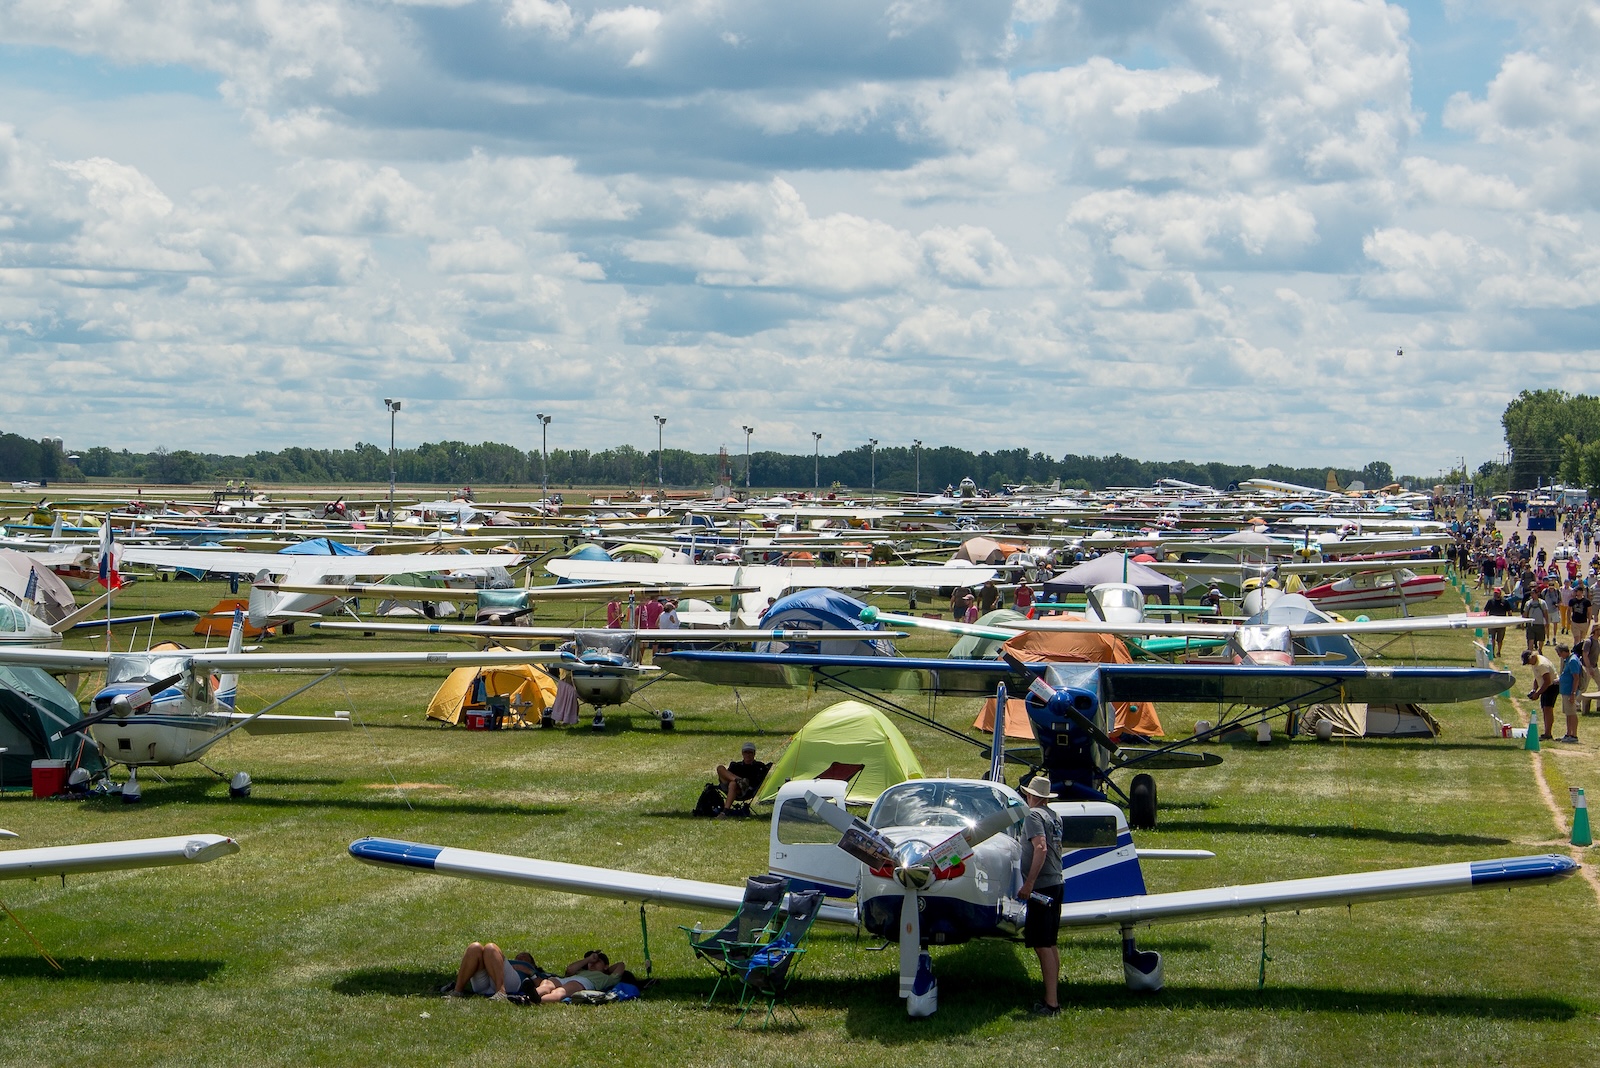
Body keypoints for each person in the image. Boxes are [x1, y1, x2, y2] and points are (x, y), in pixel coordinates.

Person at [1017, 775, 1063, 1017]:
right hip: (1057, 882)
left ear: (1031, 795)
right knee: (1050, 942)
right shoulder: (1055, 816)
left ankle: (1052, 1004)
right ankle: (1051, 997)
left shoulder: (1033, 816)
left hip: (1042, 887)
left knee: (1042, 944)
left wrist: (1029, 884)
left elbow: (1041, 847)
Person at [444, 941, 546, 1000]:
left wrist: (529, 972)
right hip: (484, 984)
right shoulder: (503, 961)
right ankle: (457, 991)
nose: (522, 956)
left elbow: (543, 984)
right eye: (520, 956)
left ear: (532, 963)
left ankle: (501, 992)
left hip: (511, 984)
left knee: (491, 948)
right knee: (474, 948)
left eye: (526, 957)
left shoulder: (531, 969)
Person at [531, 951, 629, 1004]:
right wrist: (588, 959)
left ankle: (535, 1000)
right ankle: (529, 996)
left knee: (560, 991)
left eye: (597, 961)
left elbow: (621, 965)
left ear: (606, 966)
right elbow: (570, 969)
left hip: (584, 982)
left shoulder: (608, 978)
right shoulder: (582, 971)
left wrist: (605, 969)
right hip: (569, 978)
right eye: (591, 962)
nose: (593, 963)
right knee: (547, 983)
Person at [715, 742, 770, 816]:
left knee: (733, 784)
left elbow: (756, 782)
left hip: (745, 790)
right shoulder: (735, 765)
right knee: (720, 768)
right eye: (746, 752)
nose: (748, 754)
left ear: (754, 754)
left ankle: (725, 811)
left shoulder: (759, 766)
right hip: (728, 785)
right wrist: (738, 780)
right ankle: (739, 780)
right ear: (742, 753)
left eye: (750, 752)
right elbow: (726, 775)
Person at [1524, 648, 1559, 741]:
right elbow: (1537, 677)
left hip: (1551, 687)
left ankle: (1548, 733)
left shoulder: (1542, 665)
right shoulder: (1535, 662)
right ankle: (1546, 732)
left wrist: (1538, 693)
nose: (1528, 663)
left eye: (1528, 661)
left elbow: (1547, 681)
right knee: (1544, 709)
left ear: (1532, 657)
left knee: (1548, 709)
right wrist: (1534, 689)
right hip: (1546, 686)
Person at [1557, 643, 1583, 743]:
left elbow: (1576, 678)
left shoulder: (1572, 661)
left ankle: (1574, 735)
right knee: (1568, 714)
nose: (1559, 655)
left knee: (1572, 713)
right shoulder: (1567, 660)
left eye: (1559, 653)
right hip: (1566, 691)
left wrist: (1573, 693)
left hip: (1570, 692)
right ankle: (1568, 733)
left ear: (1564, 652)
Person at [1484, 587, 1510, 658]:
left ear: (1500, 594)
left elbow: (1509, 611)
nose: (1495, 594)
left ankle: (1498, 652)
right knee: (1492, 638)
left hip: (1502, 623)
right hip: (1492, 623)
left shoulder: (1505, 602)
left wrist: (1509, 621)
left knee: (1500, 639)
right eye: (1494, 593)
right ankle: (1492, 652)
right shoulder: (1490, 601)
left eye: (1497, 593)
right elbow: (1485, 611)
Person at [1525, 588, 1550, 652]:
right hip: (1531, 624)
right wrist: (1523, 622)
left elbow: (1545, 613)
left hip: (1540, 624)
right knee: (1531, 639)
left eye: (1533, 593)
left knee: (1541, 639)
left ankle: (1540, 650)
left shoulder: (1542, 603)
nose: (1532, 595)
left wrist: (1547, 622)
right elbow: (1525, 613)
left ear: (1537, 594)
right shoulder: (1528, 603)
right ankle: (1530, 652)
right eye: (1531, 593)